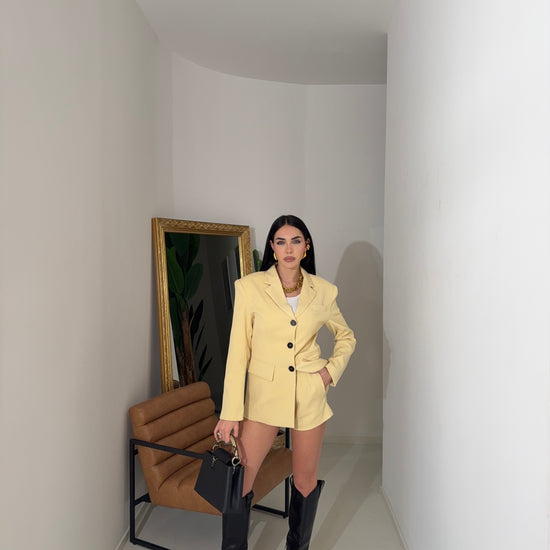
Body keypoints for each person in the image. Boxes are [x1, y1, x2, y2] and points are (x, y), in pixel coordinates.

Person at [214, 214, 356, 550]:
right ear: (272, 248)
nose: (288, 248)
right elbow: (238, 354)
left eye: (295, 241)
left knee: (305, 480)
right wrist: (230, 413)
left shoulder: (324, 291)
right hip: (264, 396)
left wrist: (328, 373)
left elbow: (346, 336)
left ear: (306, 247)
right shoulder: (249, 288)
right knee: (241, 479)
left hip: (308, 394)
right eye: (281, 242)